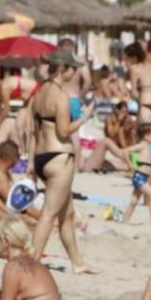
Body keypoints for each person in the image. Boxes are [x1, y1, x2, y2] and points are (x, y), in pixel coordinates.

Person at [26, 51, 96, 272]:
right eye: (73, 68)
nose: (75, 72)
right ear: (63, 69)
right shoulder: (61, 97)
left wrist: (30, 164)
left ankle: (77, 263)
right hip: (59, 157)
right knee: (49, 214)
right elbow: (64, 130)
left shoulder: (39, 94)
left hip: (41, 157)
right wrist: (85, 116)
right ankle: (31, 263)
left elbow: (33, 132)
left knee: (67, 215)